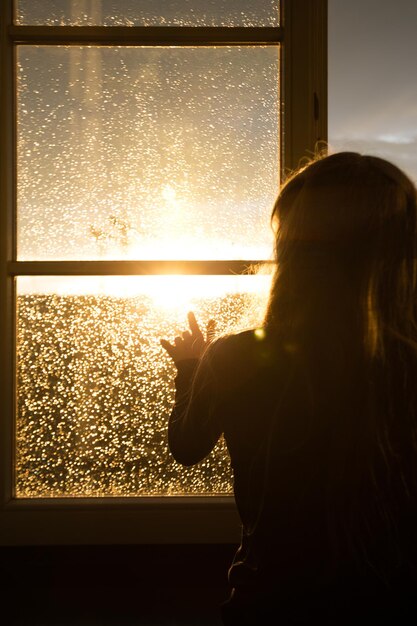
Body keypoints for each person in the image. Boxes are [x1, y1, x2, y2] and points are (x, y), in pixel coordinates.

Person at [160, 151, 417, 624]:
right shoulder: (405, 364)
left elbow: (187, 446)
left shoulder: (236, 356)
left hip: (270, 600)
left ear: (293, 251)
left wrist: (191, 369)